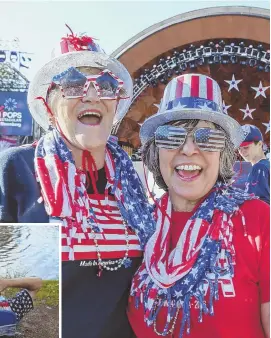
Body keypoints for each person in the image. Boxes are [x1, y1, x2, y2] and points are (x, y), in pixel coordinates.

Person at [0, 26, 155, 338]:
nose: (93, 94)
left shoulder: (129, 182)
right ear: (49, 103)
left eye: (107, 85)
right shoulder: (18, 167)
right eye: (73, 83)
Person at [127, 74, 270, 338]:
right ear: (155, 152)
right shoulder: (139, 225)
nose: (189, 149)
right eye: (172, 136)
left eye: (207, 137)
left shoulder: (258, 221)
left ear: (223, 152)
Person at [238, 124, 270, 204]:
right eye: (239, 148)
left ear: (259, 144)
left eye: (246, 147)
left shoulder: (260, 167)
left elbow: (260, 205)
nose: (241, 152)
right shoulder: (266, 165)